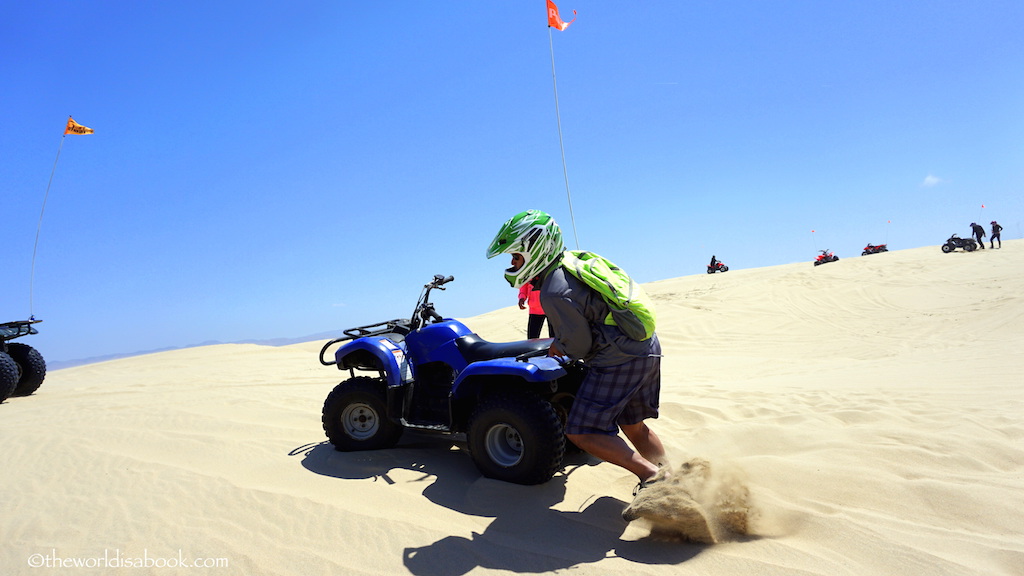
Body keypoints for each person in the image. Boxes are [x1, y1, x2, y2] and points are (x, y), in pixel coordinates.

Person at [486, 209, 667, 494]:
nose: (512, 263)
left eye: (515, 256)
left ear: (535, 249)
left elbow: (579, 345)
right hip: (645, 347)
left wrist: (559, 346)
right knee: (633, 424)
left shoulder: (553, 291)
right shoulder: (572, 261)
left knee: (582, 431)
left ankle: (653, 477)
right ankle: (676, 478)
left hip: (620, 358)